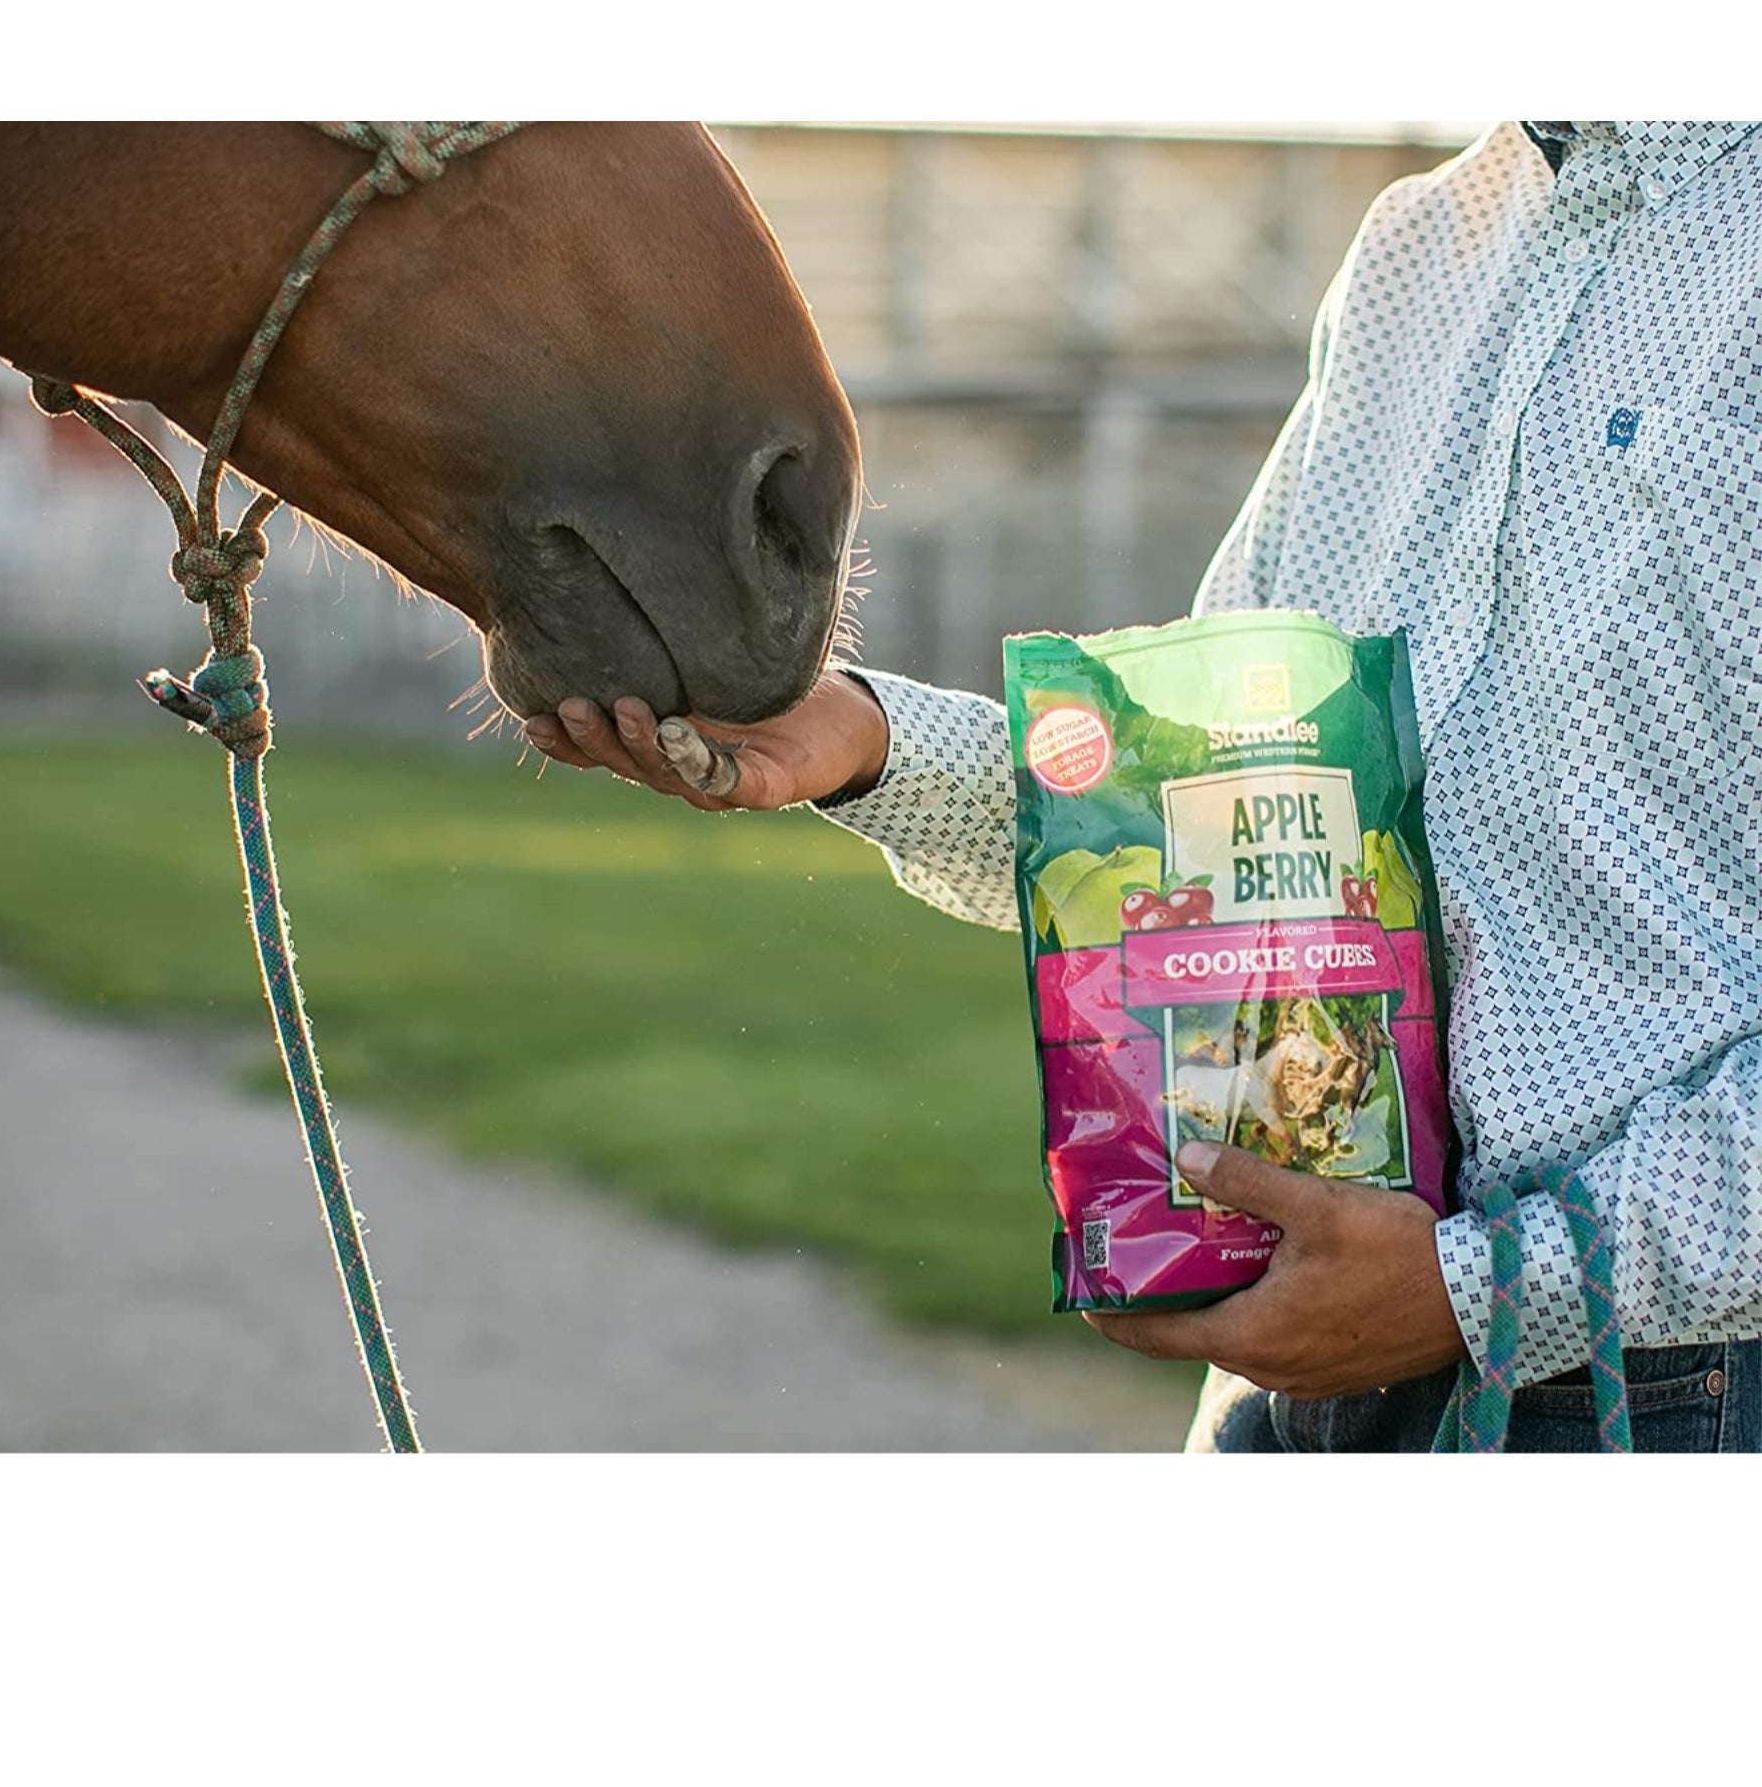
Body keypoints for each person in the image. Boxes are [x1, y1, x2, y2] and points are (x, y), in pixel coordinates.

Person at [522, 121, 1762, 1454]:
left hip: (1668, 1398)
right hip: (1289, 1362)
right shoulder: (1422, 247)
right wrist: (868, 743)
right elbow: (1215, 810)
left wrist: (1492, 1291)